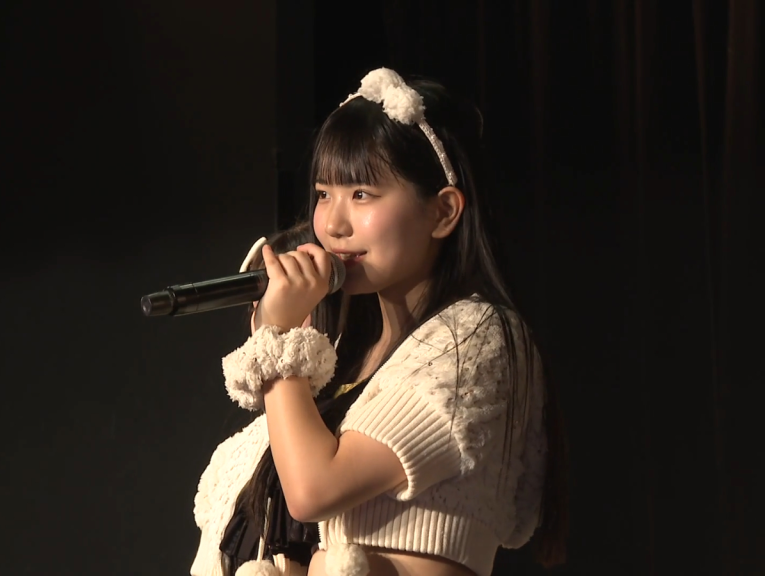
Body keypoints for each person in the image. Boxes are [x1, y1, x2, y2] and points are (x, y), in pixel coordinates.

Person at [190, 68, 568, 576]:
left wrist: (278, 340)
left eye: (362, 194)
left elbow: (313, 490)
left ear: (443, 212)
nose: (333, 224)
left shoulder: (475, 338)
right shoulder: (346, 353)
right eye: (324, 194)